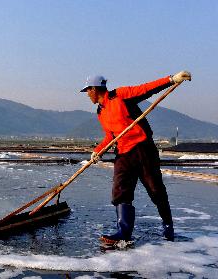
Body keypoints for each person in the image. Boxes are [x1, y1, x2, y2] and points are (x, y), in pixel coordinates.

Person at [79, 71, 191, 246]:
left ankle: (168, 225)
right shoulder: (100, 111)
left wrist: (171, 79)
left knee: (155, 189)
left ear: (95, 89)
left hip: (143, 148)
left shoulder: (120, 95)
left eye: (88, 90)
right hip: (123, 152)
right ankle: (124, 232)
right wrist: (98, 151)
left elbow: (146, 89)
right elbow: (111, 136)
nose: (87, 94)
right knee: (120, 189)